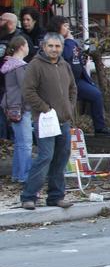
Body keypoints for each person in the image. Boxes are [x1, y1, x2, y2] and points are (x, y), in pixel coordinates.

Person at [20, 32, 76, 210]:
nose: (54, 49)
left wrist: (70, 108)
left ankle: (56, 196)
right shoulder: (35, 65)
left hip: (63, 121)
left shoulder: (64, 65)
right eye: (50, 46)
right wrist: (45, 109)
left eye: (57, 46)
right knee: (45, 157)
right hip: (44, 121)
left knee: (61, 158)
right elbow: (28, 92)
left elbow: (73, 89)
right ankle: (28, 197)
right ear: (43, 47)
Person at [49, 15, 110, 135]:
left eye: (68, 26)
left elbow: (76, 56)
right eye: (65, 26)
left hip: (77, 80)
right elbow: (67, 55)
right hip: (63, 83)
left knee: (96, 94)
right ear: (57, 27)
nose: (68, 28)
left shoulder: (70, 42)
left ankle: (100, 127)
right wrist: (69, 41)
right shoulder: (55, 41)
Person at [2, 37, 33, 182]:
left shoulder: (10, 65)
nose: (28, 48)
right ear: (22, 46)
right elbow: (26, 87)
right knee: (26, 144)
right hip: (22, 108)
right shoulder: (20, 67)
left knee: (20, 143)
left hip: (12, 107)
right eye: (27, 45)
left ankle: (17, 174)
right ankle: (24, 176)